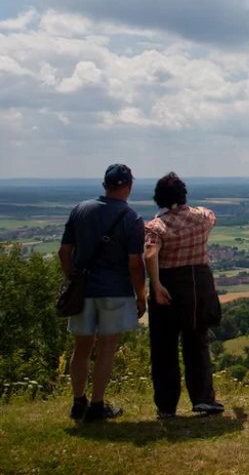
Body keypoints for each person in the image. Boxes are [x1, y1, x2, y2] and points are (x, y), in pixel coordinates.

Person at [58, 163, 147, 422]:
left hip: (83, 291)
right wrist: (141, 295)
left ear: (104, 186)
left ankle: (78, 402)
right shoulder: (132, 218)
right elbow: (134, 263)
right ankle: (97, 405)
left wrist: (73, 279)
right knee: (107, 348)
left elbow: (64, 253)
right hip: (115, 291)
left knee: (81, 347)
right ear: (129, 186)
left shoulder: (80, 210)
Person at [144, 172, 223, 418]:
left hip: (169, 285)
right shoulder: (202, 217)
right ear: (183, 195)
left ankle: (167, 406)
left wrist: (155, 286)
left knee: (164, 347)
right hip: (199, 285)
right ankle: (203, 399)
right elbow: (212, 216)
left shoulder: (156, 226)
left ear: (159, 198)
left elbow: (149, 255)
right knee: (197, 341)